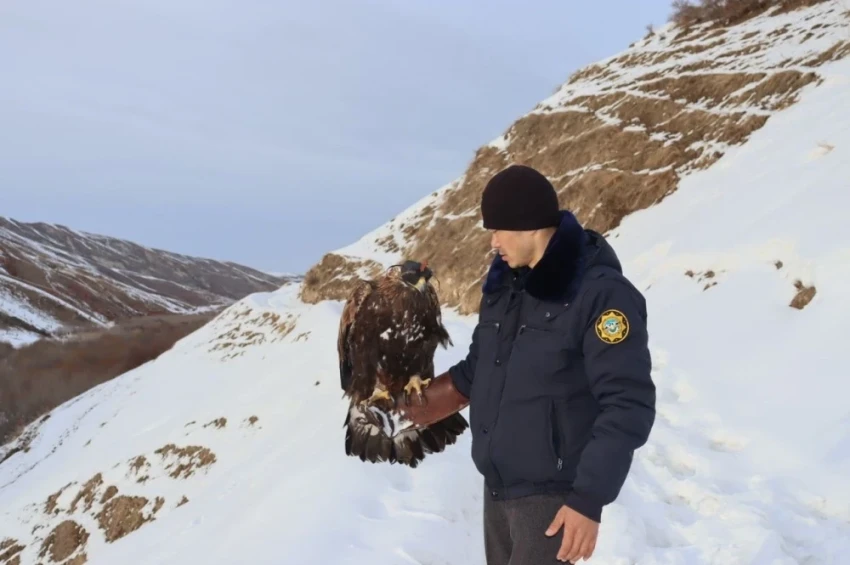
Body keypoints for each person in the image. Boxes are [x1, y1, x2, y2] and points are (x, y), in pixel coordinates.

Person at [395, 164, 656, 564]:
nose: (493, 242)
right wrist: (409, 405)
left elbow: (627, 402)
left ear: (529, 225)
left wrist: (588, 500)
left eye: (498, 230)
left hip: (553, 498)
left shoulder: (601, 295)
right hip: (499, 489)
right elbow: (478, 370)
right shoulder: (506, 290)